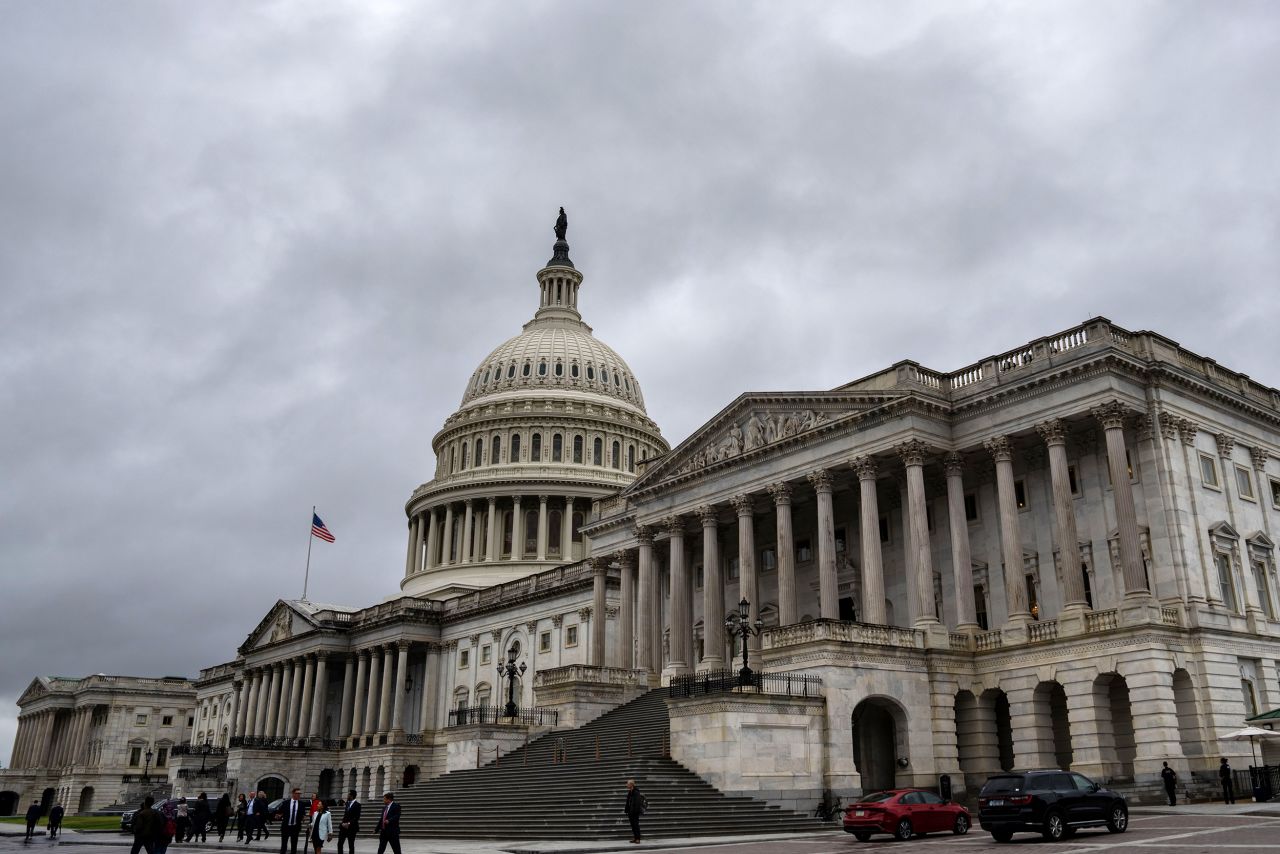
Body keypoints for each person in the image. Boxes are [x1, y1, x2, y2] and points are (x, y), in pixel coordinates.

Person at [278, 788, 305, 854]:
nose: (299, 795)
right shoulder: (285, 803)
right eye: (297, 793)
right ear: (293, 794)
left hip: (295, 827)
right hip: (286, 826)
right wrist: (279, 815)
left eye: (299, 794)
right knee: (284, 844)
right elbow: (280, 812)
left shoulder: (301, 804)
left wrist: (303, 818)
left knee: (294, 844)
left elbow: (303, 814)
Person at [624, 779, 646, 844]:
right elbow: (628, 802)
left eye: (627, 783)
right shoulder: (630, 792)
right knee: (633, 826)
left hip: (635, 812)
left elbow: (637, 803)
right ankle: (635, 837)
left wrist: (635, 812)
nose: (626, 785)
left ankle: (638, 839)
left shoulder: (636, 792)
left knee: (636, 825)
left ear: (631, 785)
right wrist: (627, 810)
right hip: (630, 812)